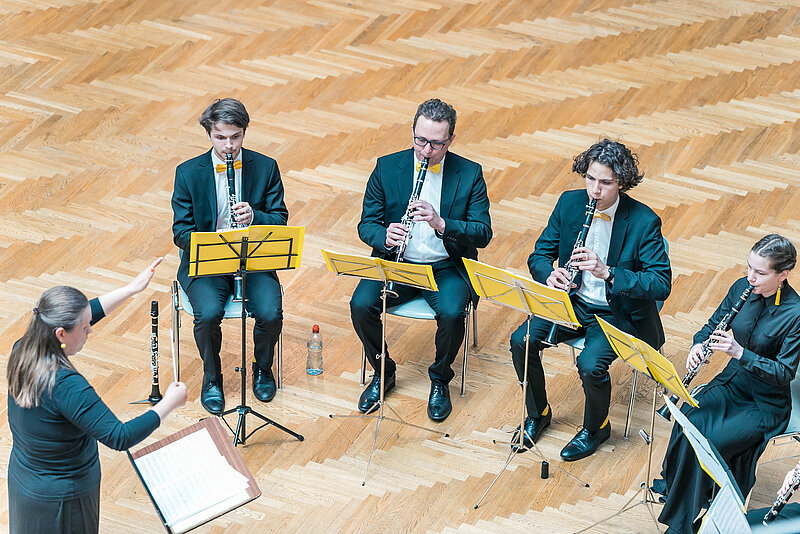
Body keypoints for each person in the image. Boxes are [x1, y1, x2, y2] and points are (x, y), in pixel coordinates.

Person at [509, 139, 671, 460]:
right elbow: (540, 254)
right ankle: (538, 413)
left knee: (590, 364)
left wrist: (608, 271)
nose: (595, 190)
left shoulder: (643, 221)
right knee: (521, 341)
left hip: (616, 312)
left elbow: (660, 284)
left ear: (621, 183)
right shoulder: (570, 204)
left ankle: (597, 427)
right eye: (590, 179)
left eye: (605, 183)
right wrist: (549, 274)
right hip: (573, 302)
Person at [7, 259, 188, 534]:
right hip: (64, 498)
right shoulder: (66, 385)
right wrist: (167, 404)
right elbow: (120, 436)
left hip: (26, 479)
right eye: (85, 327)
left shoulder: (24, 347)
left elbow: (85, 313)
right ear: (61, 333)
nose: (90, 330)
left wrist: (131, 289)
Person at [350, 98, 492, 421]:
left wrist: (442, 223)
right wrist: (384, 235)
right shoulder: (387, 167)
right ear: (412, 130)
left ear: (451, 140)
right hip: (396, 264)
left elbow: (483, 232)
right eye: (420, 140)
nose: (426, 150)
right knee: (360, 306)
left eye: (436, 144)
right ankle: (383, 370)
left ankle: (440, 379)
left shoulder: (470, 174)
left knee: (454, 313)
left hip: (445, 267)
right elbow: (366, 224)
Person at [655, 234, 800, 533]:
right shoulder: (740, 287)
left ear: (782, 275)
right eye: (749, 268)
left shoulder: (795, 314)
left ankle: (681, 524)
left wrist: (739, 353)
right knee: (689, 422)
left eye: (760, 273)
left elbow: (784, 372)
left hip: (765, 402)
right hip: (732, 382)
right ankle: (680, 491)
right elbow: (711, 325)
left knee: (711, 441)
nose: (751, 277)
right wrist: (698, 345)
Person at [171, 98, 288, 414]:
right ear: (209, 133)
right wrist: (211, 243)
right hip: (208, 262)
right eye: (221, 137)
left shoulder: (265, 167)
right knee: (207, 315)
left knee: (270, 313)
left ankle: (262, 367)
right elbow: (180, 232)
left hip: (253, 258)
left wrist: (255, 217)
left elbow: (280, 217)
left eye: (235, 137)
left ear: (244, 133)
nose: (229, 145)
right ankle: (212, 377)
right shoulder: (187, 173)